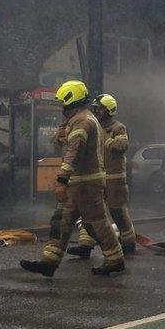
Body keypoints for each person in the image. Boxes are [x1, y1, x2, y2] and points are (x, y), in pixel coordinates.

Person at [20, 80, 126, 277]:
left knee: (96, 223)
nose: (61, 106)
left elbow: (74, 152)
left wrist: (61, 180)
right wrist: (61, 135)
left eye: (63, 102)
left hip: (85, 183)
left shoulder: (83, 121)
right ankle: (49, 262)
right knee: (61, 220)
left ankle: (115, 259)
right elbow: (65, 144)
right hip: (80, 183)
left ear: (71, 99)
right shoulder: (80, 119)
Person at [67, 93, 137, 258]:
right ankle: (85, 245)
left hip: (114, 178)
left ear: (109, 110)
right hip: (97, 176)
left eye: (100, 108)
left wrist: (106, 140)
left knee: (117, 210)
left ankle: (128, 242)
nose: (96, 111)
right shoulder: (94, 126)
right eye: (96, 108)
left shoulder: (118, 127)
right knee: (90, 211)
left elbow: (122, 145)